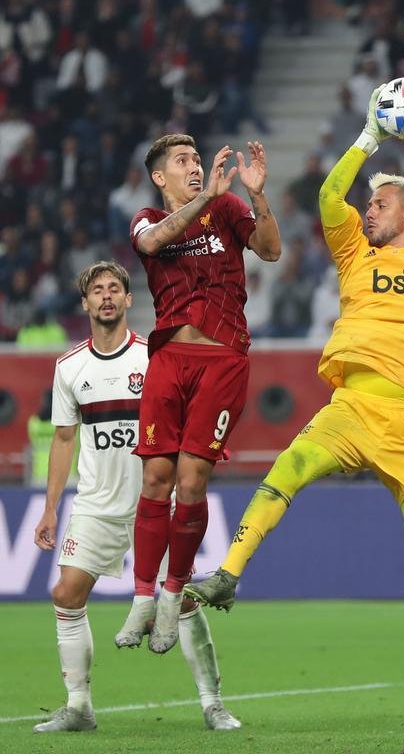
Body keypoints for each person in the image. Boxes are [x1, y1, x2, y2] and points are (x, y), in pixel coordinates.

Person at [184, 85, 404, 732]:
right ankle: (228, 573)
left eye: (379, 204)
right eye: (367, 203)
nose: (366, 211)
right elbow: (326, 197)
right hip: (351, 404)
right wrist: (368, 136)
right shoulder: (352, 253)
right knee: (285, 470)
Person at [33, 261, 241, 733]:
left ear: (129, 301)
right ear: (85, 304)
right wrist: (49, 507)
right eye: (97, 291)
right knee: (66, 593)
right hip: (97, 503)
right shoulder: (69, 368)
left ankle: (213, 704)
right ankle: (79, 706)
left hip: (157, 501)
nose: (106, 296)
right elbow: (65, 440)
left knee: (181, 602)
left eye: (114, 289)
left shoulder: (157, 358)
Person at [115, 134, 280, 656]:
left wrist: (256, 196)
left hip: (224, 358)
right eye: (181, 162)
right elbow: (149, 244)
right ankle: (141, 596)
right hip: (167, 358)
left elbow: (271, 251)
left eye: (195, 159)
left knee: (190, 481)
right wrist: (204, 198)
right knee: (156, 477)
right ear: (159, 177)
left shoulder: (228, 208)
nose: (193, 166)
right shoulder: (146, 218)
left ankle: (171, 594)